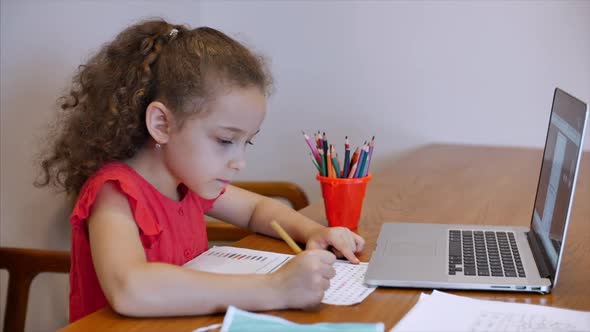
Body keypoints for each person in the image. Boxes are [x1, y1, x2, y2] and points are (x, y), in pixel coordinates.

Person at [35, 18, 365, 322]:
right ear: (162, 124)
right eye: (225, 140)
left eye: (246, 142)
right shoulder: (114, 193)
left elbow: (257, 210)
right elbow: (130, 288)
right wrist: (274, 288)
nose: (240, 161)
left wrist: (314, 233)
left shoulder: (187, 181)